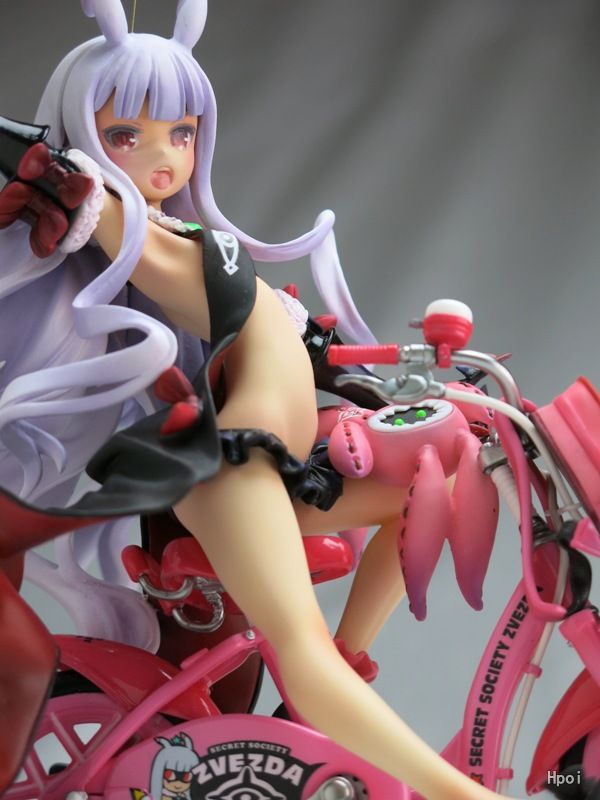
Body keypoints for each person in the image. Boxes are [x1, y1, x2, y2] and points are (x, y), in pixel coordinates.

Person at [0, 2, 516, 799]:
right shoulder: (127, 232)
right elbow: (82, 200)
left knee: (434, 481)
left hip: (289, 461)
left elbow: (288, 341)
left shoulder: (189, 234)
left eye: (182, 132)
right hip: (230, 466)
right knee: (297, 645)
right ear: (84, 140)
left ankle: (344, 665)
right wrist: (57, 175)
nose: (164, 156)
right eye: (128, 135)